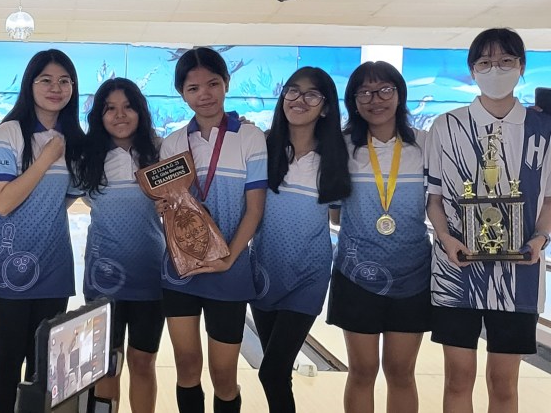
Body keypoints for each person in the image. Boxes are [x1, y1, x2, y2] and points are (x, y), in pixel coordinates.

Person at [426, 28, 551, 413]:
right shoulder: (446, 126)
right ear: (472, 70)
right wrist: (446, 238)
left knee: (504, 382)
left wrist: (540, 238)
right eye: (485, 62)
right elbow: (434, 200)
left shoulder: (543, 129)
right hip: (456, 268)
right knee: (458, 377)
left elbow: (549, 198)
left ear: (521, 66)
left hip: (519, 274)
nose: (495, 69)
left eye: (505, 61)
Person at [158, 47, 266, 413]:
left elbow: (255, 209)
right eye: (193, 88)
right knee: (187, 366)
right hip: (182, 269)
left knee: (223, 375)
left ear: (226, 84)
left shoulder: (249, 137)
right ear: (182, 93)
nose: (204, 94)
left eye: (213, 84)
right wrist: (164, 208)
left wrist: (229, 259)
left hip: (229, 269)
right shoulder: (173, 143)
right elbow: (171, 207)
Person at [0, 49, 85, 413]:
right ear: (30, 84)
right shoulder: (10, 132)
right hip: (7, 264)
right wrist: (45, 160)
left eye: (64, 81)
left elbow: (68, 196)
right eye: (46, 80)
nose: (56, 88)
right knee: (10, 357)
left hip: (54, 264)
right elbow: (2, 202)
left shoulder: (74, 138)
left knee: (44, 362)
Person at [328, 61, 431, 413]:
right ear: (353, 101)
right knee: (362, 371)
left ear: (399, 94)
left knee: (401, 372)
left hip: (413, 274)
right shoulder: (342, 147)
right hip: (356, 274)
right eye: (365, 93)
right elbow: (333, 210)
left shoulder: (424, 145)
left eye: (385, 90)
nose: (376, 99)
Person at [249, 67, 350, 413]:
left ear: (325, 107)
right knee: (276, 375)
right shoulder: (262, 148)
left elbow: (337, 217)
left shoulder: (335, 158)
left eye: (311, 94)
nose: (299, 99)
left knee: (272, 371)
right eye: (292, 91)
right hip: (264, 272)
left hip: (309, 274)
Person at [76, 77, 164, 412]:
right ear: (99, 115)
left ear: (140, 111)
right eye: (110, 108)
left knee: (143, 362)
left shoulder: (159, 152)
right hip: (103, 279)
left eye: (128, 107)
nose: (120, 115)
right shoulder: (86, 158)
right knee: (106, 366)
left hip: (151, 276)